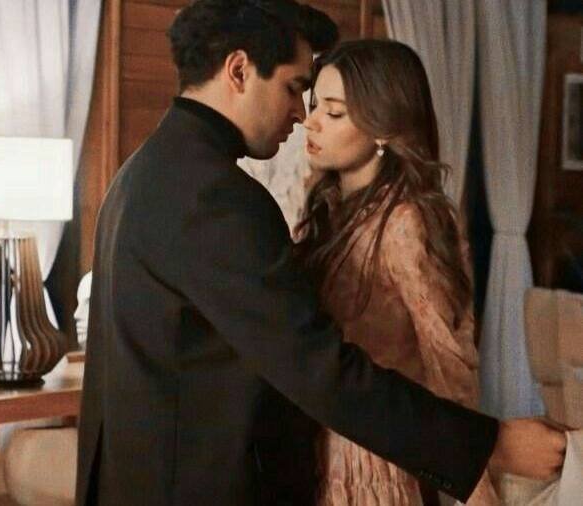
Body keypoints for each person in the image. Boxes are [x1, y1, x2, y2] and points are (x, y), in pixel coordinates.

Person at [76, 1, 566, 505]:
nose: (300, 115)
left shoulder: (142, 174)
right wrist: (491, 445)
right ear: (239, 71)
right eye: (294, 88)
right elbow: (318, 367)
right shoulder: (214, 199)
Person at [294, 39, 499, 505]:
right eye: (314, 105)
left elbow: (449, 363)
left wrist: (474, 485)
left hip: (370, 468)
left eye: (334, 112)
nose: (311, 121)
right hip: (313, 452)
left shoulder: (407, 221)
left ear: (383, 128)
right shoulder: (329, 209)